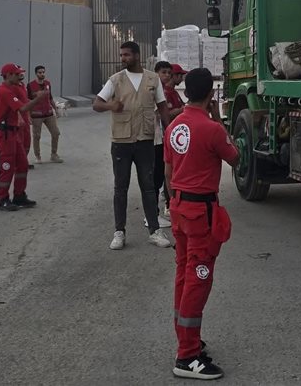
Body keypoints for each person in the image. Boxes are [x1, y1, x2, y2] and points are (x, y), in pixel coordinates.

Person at [165, 67, 239, 380]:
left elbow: (168, 171)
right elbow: (235, 158)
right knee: (199, 276)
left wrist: (173, 204)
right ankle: (187, 357)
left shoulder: (174, 126)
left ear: (185, 92)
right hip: (200, 214)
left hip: (180, 208)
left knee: (184, 273)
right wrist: (218, 119)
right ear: (211, 95)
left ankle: (186, 339)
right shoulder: (211, 130)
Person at [93, 41, 172, 249]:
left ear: (137, 56)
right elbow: (97, 103)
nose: (123, 58)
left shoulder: (153, 79)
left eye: (126, 55)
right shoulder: (115, 80)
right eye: (122, 55)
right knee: (121, 188)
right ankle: (119, 232)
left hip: (145, 140)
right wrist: (111, 105)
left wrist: (169, 132)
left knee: (148, 187)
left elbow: (163, 107)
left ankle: (154, 231)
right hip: (122, 142)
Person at [0, 62, 49, 212]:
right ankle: (2, 199)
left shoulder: (14, 88)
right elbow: (23, 107)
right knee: (7, 166)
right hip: (5, 134)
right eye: (17, 74)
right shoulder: (5, 91)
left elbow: (23, 104)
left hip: (13, 132)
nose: (20, 76)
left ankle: (19, 195)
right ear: (9, 75)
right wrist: (39, 99)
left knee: (22, 164)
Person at [154, 62, 188, 221]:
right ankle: (167, 205)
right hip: (162, 138)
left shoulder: (172, 92)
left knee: (170, 172)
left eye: (169, 72)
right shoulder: (164, 94)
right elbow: (165, 115)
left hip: (171, 137)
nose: (167, 75)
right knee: (165, 173)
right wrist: (183, 110)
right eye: (164, 72)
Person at [27, 65, 62, 163]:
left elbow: (50, 98)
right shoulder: (30, 85)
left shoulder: (48, 84)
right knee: (37, 136)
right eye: (40, 72)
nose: (42, 74)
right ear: (36, 73)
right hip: (36, 115)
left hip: (48, 113)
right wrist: (28, 116)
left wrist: (56, 109)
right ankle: (38, 157)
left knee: (56, 133)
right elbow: (28, 101)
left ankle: (54, 155)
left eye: (43, 72)